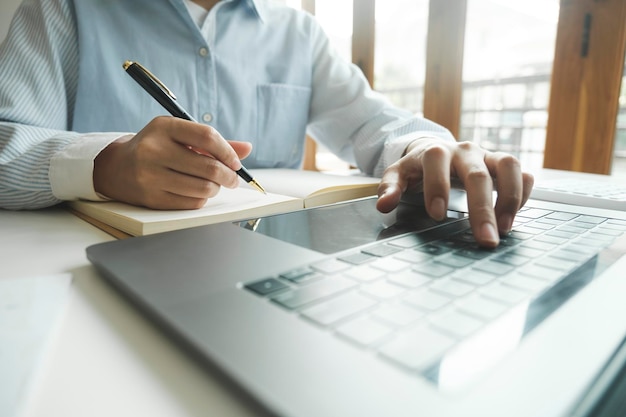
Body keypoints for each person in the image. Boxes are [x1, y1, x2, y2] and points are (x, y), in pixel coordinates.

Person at [0, 0, 533, 248]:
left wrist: (420, 145)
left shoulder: (300, 34)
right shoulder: (61, 10)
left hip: (271, 261)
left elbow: (373, 120)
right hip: (83, 273)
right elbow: (8, 138)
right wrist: (103, 164)